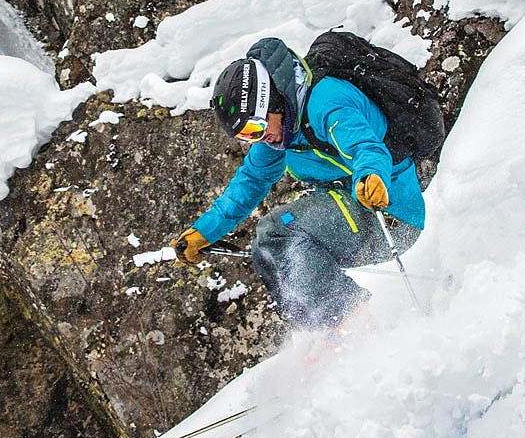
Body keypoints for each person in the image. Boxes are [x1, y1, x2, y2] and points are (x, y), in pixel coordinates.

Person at [173, 36, 425, 330]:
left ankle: (356, 325)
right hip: (351, 212)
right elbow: (250, 182)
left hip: (388, 213)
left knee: (278, 232)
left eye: (256, 126)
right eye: (247, 136)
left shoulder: (326, 100)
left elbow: (365, 147)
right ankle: (316, 333)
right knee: (265, 251)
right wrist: (204, 232)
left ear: (276, 99)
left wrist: (370, 177)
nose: (259, 137)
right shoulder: (282, 128)